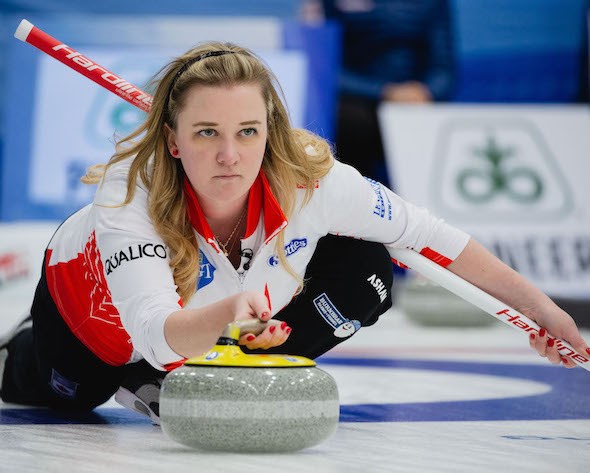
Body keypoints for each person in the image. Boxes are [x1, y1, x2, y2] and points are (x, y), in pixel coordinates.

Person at [1, 42, 587, 425]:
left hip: (218, 319)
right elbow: (154, 334)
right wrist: (233, 307)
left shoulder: (313, 179)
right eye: (206, 133)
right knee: (73, 395)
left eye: (247, 132)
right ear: (174, 141)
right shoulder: (132, 191)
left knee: (369, 264)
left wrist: (544, 311)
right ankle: (30, 349)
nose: (230, 156)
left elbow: (429, 238)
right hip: (92, 314)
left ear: (270, 131)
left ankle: (234, 367)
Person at [321, 0, 455, 185]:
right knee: (349, 120)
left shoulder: (433, 4)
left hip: (417, 103)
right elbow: (326, 65)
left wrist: (427, 92)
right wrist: (384, 91)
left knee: (424, 123)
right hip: (358, 102)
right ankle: (355, 195)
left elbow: (443, 68)